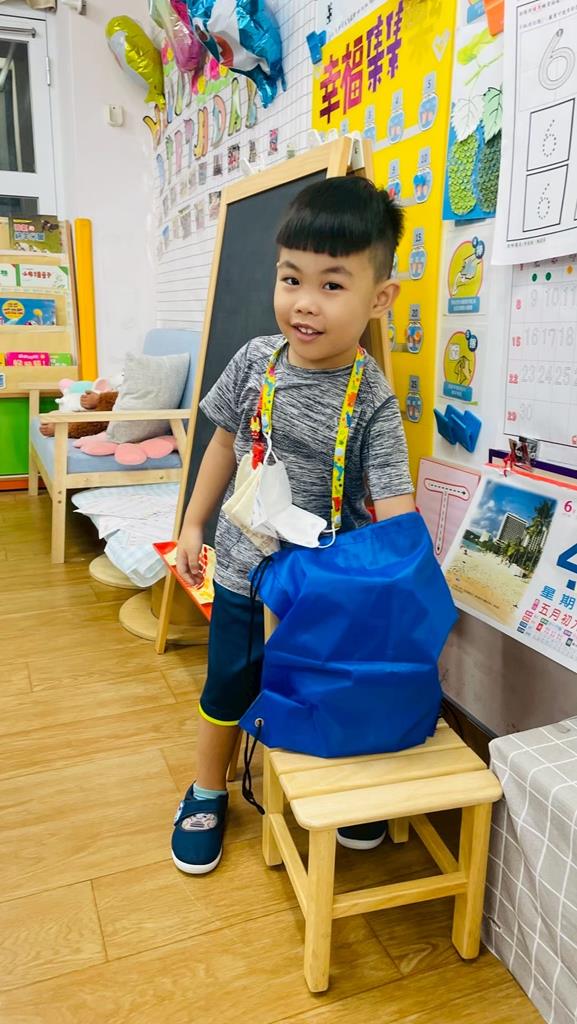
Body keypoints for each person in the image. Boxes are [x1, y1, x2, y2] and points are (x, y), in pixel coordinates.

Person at [172, 176, 415, 875]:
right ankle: (207, 789)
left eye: (332, 285)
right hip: (245, 571)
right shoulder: (255, 361)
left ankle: (341, 789)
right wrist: (192, 525)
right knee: (228, 685)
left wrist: (404, 580)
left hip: (327, 587)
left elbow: (393, 499)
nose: (304, 302)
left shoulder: (372, 396)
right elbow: (220, 446)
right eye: (291, 279)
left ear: (379, 299)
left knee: (328, 684)